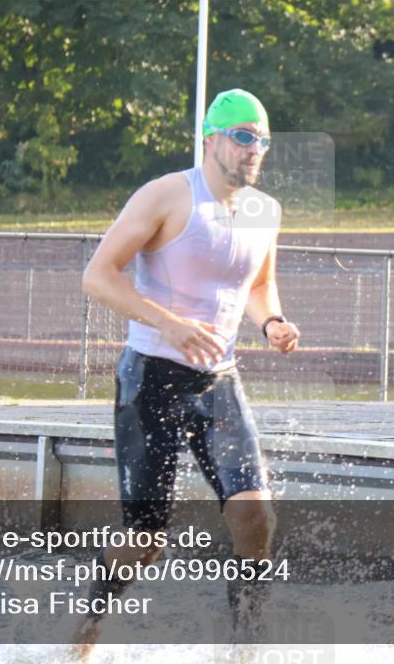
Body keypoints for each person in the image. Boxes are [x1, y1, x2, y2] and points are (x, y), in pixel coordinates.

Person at [73, 88, 300, 657]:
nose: (254, 150)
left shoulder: (264, 211)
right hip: (151, 376)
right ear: (211, 138)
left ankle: (243, 648)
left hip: (218, 381)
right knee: (145, 540)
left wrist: (270, 320)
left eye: (263, 140)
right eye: (243, 137)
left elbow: (256, 284)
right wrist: (169, 324)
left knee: (256, 519)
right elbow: (99, 276)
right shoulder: (167, 196)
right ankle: (84, 635)